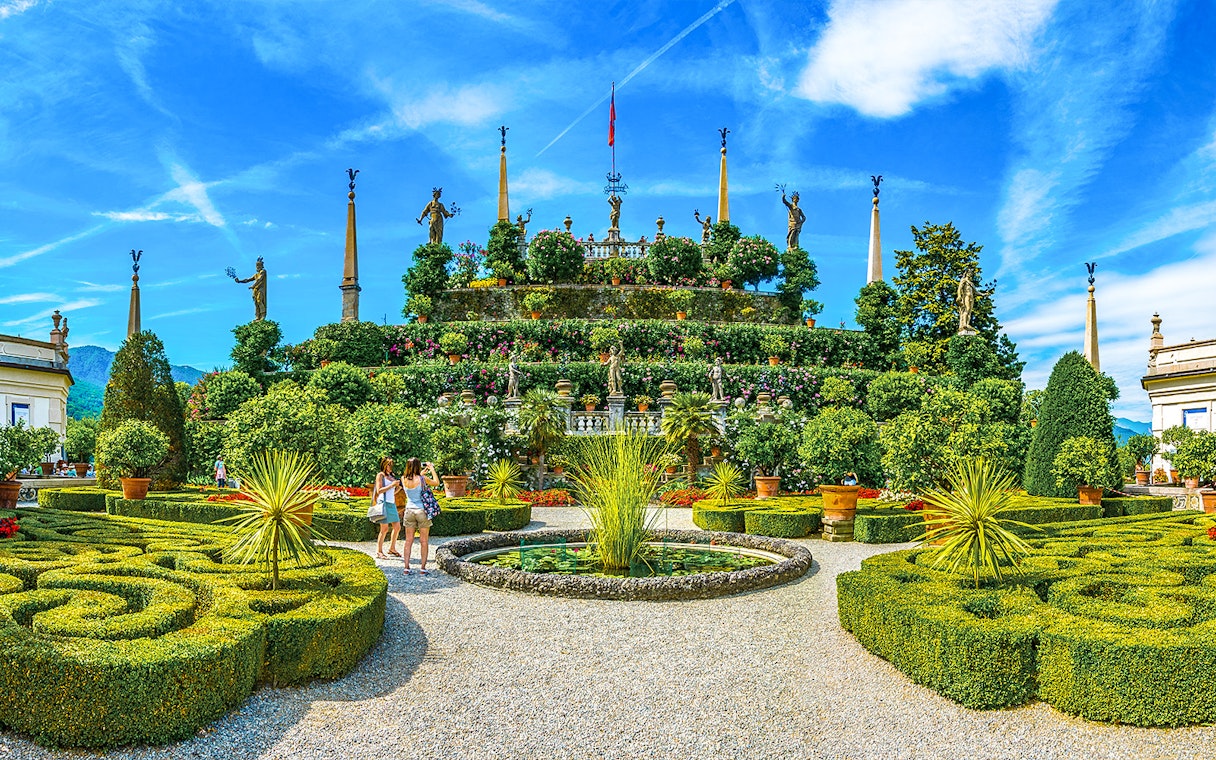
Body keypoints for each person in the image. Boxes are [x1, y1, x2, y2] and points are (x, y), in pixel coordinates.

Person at [399, 457, 440, 575]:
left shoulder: (403, 479)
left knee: (408, 541)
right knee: (423, 541)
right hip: (422, 511)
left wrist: (421, 474)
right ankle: (422, 568)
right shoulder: (422, 479)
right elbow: (436, 482)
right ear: (417, 466)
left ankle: (406, 568)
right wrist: (432, 469)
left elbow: (413, 479)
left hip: (409, 511)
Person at [372, 457, 403, 559]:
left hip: (391, 503)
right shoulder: (380, 475)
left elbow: (391, 492)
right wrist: (392, 485)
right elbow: (379, 490)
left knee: (397, 527)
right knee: (384, 529)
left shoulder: (391, 476)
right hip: (383, 503)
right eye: (388, 464)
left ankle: (392, 548)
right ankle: (379, 551)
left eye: (391, 464)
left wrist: (397, 488)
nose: (390, 467)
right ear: (384, 465)